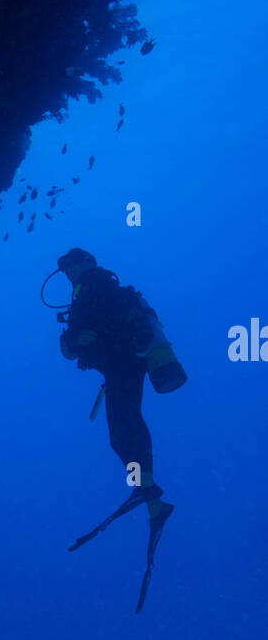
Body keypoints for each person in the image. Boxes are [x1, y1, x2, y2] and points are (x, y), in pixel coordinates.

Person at [54, 248, 186, 611]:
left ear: (86, 263)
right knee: (126, 427)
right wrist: (74, 342)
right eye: (64, 268)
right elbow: (71, 346)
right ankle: (152, 498)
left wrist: (82, 341)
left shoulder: (96, 287)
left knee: (123, 430)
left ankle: (150, 492)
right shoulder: (86, 294)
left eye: (71, 265)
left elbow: (103, 330)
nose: (67, 272)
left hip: (123, 363)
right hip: (121, 367)